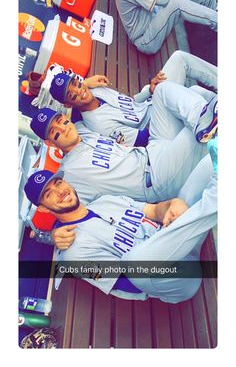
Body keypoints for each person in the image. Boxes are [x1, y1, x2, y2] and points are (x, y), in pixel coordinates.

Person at [24, 142, 217, 304]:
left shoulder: (105, 200)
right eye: (49, 194)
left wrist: (172, 205)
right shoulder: (74, 253)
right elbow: (128, 282)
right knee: (135, 263)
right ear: (44, 208)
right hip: (176, 277)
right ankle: (215, 199)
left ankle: (215, 197)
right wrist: (160, 247)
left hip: (181, 237)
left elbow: (153, 211)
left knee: (208, 163)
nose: (60, 192)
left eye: (58, 183)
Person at [30, 80, 217, 206]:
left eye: (61, 121)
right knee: (197, 131)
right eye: (55, 132)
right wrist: (53, 235)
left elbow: (75, 100)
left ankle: (207, 117)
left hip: (154, 150)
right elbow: (71, 211)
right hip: (156, 180)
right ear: (51, 143)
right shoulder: (70, 174)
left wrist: (84, 83)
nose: (63, 128)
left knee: (163, 90)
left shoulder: (81, 129)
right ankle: (209, 117)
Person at [49, 50, 217, 147]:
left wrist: (149, 91)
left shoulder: (95, 90)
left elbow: (133, 105)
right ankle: (206, 121)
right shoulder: (98, 124)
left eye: (77, 85)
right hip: (158, 132)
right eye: (72, 95)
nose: (79, 91)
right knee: (177, 92)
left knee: (180, 59)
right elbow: (142, 139)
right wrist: (161, 101)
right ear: (68, 103)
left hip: (151, 105)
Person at [115, 0, 217, 54]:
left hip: (153, 20)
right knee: (176, 3)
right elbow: (163, 0)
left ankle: (213, 4)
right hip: (145, 40)